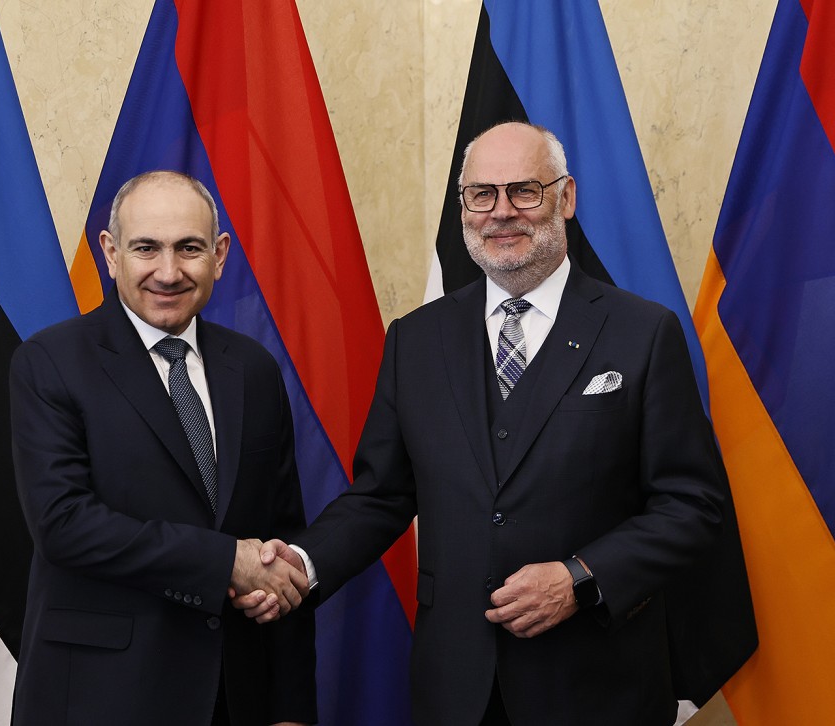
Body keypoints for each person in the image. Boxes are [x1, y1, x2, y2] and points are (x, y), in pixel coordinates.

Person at [238, 122, 756, 725]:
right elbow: (381, 496)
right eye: (482, 194)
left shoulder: (643, 333)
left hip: (596, 684)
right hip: (456, 688)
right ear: (464, 208)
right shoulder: (415, 340)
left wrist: (580, 577)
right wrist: (301, 564)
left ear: (566, 197)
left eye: (524, 191)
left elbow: (692, 505)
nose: (501, 212)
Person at [9, 170, 316, 726]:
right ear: (111, 253)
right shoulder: (51, 362)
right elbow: (63, 524)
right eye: (146, 248)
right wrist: (226, 562)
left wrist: (291, 709)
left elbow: (282, 543)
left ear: (219, 256)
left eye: (189, 248)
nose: (168, 272)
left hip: (236, 697)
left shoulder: (253, 369)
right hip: (102, 698)